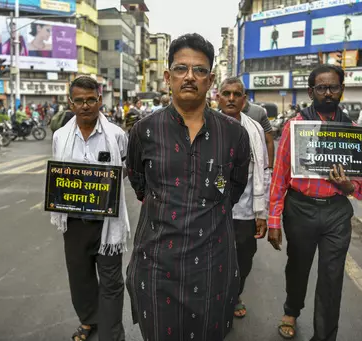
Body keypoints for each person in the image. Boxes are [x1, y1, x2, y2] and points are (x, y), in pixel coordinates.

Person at [126, 33, 251, 341]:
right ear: (168, 77)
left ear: (210, 80)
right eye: (181, 69)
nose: (190, 77)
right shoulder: (144, 131)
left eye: (199, 71)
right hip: (156, 266)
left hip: (213, 267)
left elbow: (233, 189)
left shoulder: (234, 135)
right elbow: (139, 183)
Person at [268, 65, 362, 340]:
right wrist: (274, 220)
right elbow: (279, 176)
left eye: (334, 87)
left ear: (342, 90)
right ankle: (291, 310)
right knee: (297, 266)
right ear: (311, 92)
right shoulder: (294, 127)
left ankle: (324, 336)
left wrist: (349, 187)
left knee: (332, 279)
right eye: (321, 88)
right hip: (300, 209)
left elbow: (358, 184)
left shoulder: (353, 131)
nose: (328, 93)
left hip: (336, 213)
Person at [51, 76, 130, 341]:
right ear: (71, 103)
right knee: (80, 278)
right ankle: (89, 320)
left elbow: (126, 168)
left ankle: (111, 333)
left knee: (111, 282)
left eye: (90, 100)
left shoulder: (117, 135)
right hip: (74, 223)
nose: (85, 106)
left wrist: (106, 186)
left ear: (99, 101)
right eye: (79, 101)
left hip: (107, 224)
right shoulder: (60, 137)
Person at [217, 77, 269, 319]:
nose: (231, 98)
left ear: (244, 99)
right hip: (211, 209)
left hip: (245, 210)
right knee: (212, 258)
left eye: (236, 94)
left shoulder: (255, 129)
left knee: (244, 258)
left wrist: (262, 212)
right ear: (217, 97)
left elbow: (263, 171)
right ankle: (215, 297)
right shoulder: (205, 125)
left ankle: (235, 293)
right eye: (226, 93)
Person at [242, 101, 275, 168]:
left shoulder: (258, 112)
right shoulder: (222, 113)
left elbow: (269, 141)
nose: (231, 98)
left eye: (236, 94)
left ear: (244, 97)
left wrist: (270, 167)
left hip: (255, 166)